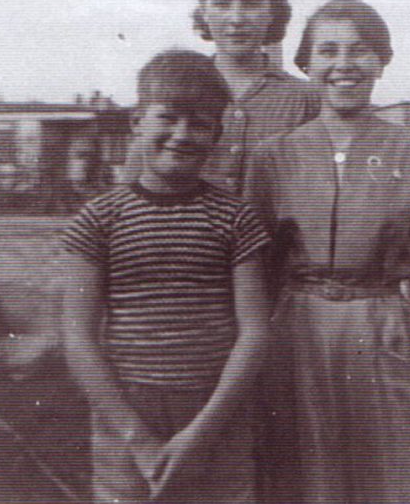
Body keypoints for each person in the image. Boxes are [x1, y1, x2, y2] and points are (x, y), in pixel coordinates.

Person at [246, 0, 410, 503]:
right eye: (328, 51)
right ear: (305, 63)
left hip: (383, 328)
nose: (344, 64)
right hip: (296, 334)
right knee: (303, 474)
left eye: (360, 51)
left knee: (395, 469)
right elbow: (255, 273)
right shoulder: (274, 156)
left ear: (381, 61)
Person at [60, 50, 270, 504]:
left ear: (217, 133)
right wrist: (136, 436)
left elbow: (254, 332)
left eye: (199, 123)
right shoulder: (99, 219)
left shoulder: (235, 218)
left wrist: (202, 432)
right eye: (168, 118)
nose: (182, 134)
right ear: (137, 121)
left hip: (217, 408)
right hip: (127, 410)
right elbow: (77, 337)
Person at [123, 0, 319, 194]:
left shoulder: (306, 98)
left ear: (272, 12)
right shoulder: (171, 87)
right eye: (222, 4)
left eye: (251, 4)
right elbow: (131, 189)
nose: (236, 18)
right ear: (204, 12)